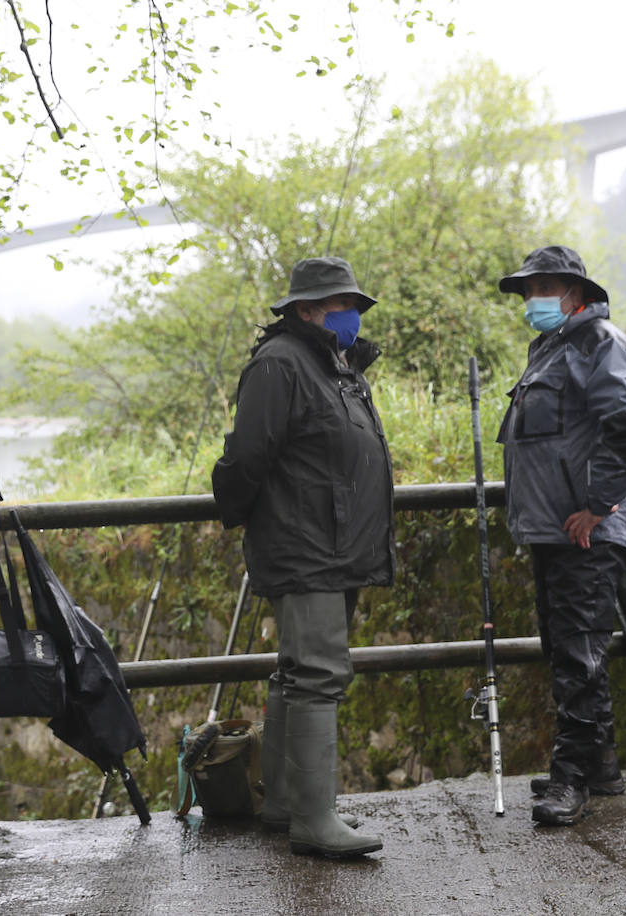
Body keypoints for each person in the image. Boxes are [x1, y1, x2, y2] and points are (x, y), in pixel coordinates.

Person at [211, 256, 394, 857]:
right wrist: (243, 512)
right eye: (343, 306)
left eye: (355, 307)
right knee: (318, 673)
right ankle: (315, 820)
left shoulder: (335, 365)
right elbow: (245, 459)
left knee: (297, 670)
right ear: (308, 309)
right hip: (307, 545)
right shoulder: (281, 364)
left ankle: (286, 804)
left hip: (335, 544)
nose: (352, 317)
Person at [495, 245, 626, 827]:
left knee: (578, 654)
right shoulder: (550, 347)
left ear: (577, 294)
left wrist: (596, 505)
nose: (533, 300)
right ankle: (600, 761)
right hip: (553, 530)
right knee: (566, 646)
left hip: (586, 532)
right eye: (528, 290)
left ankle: (572, 779)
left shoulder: (598, 341)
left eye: (545, 288)